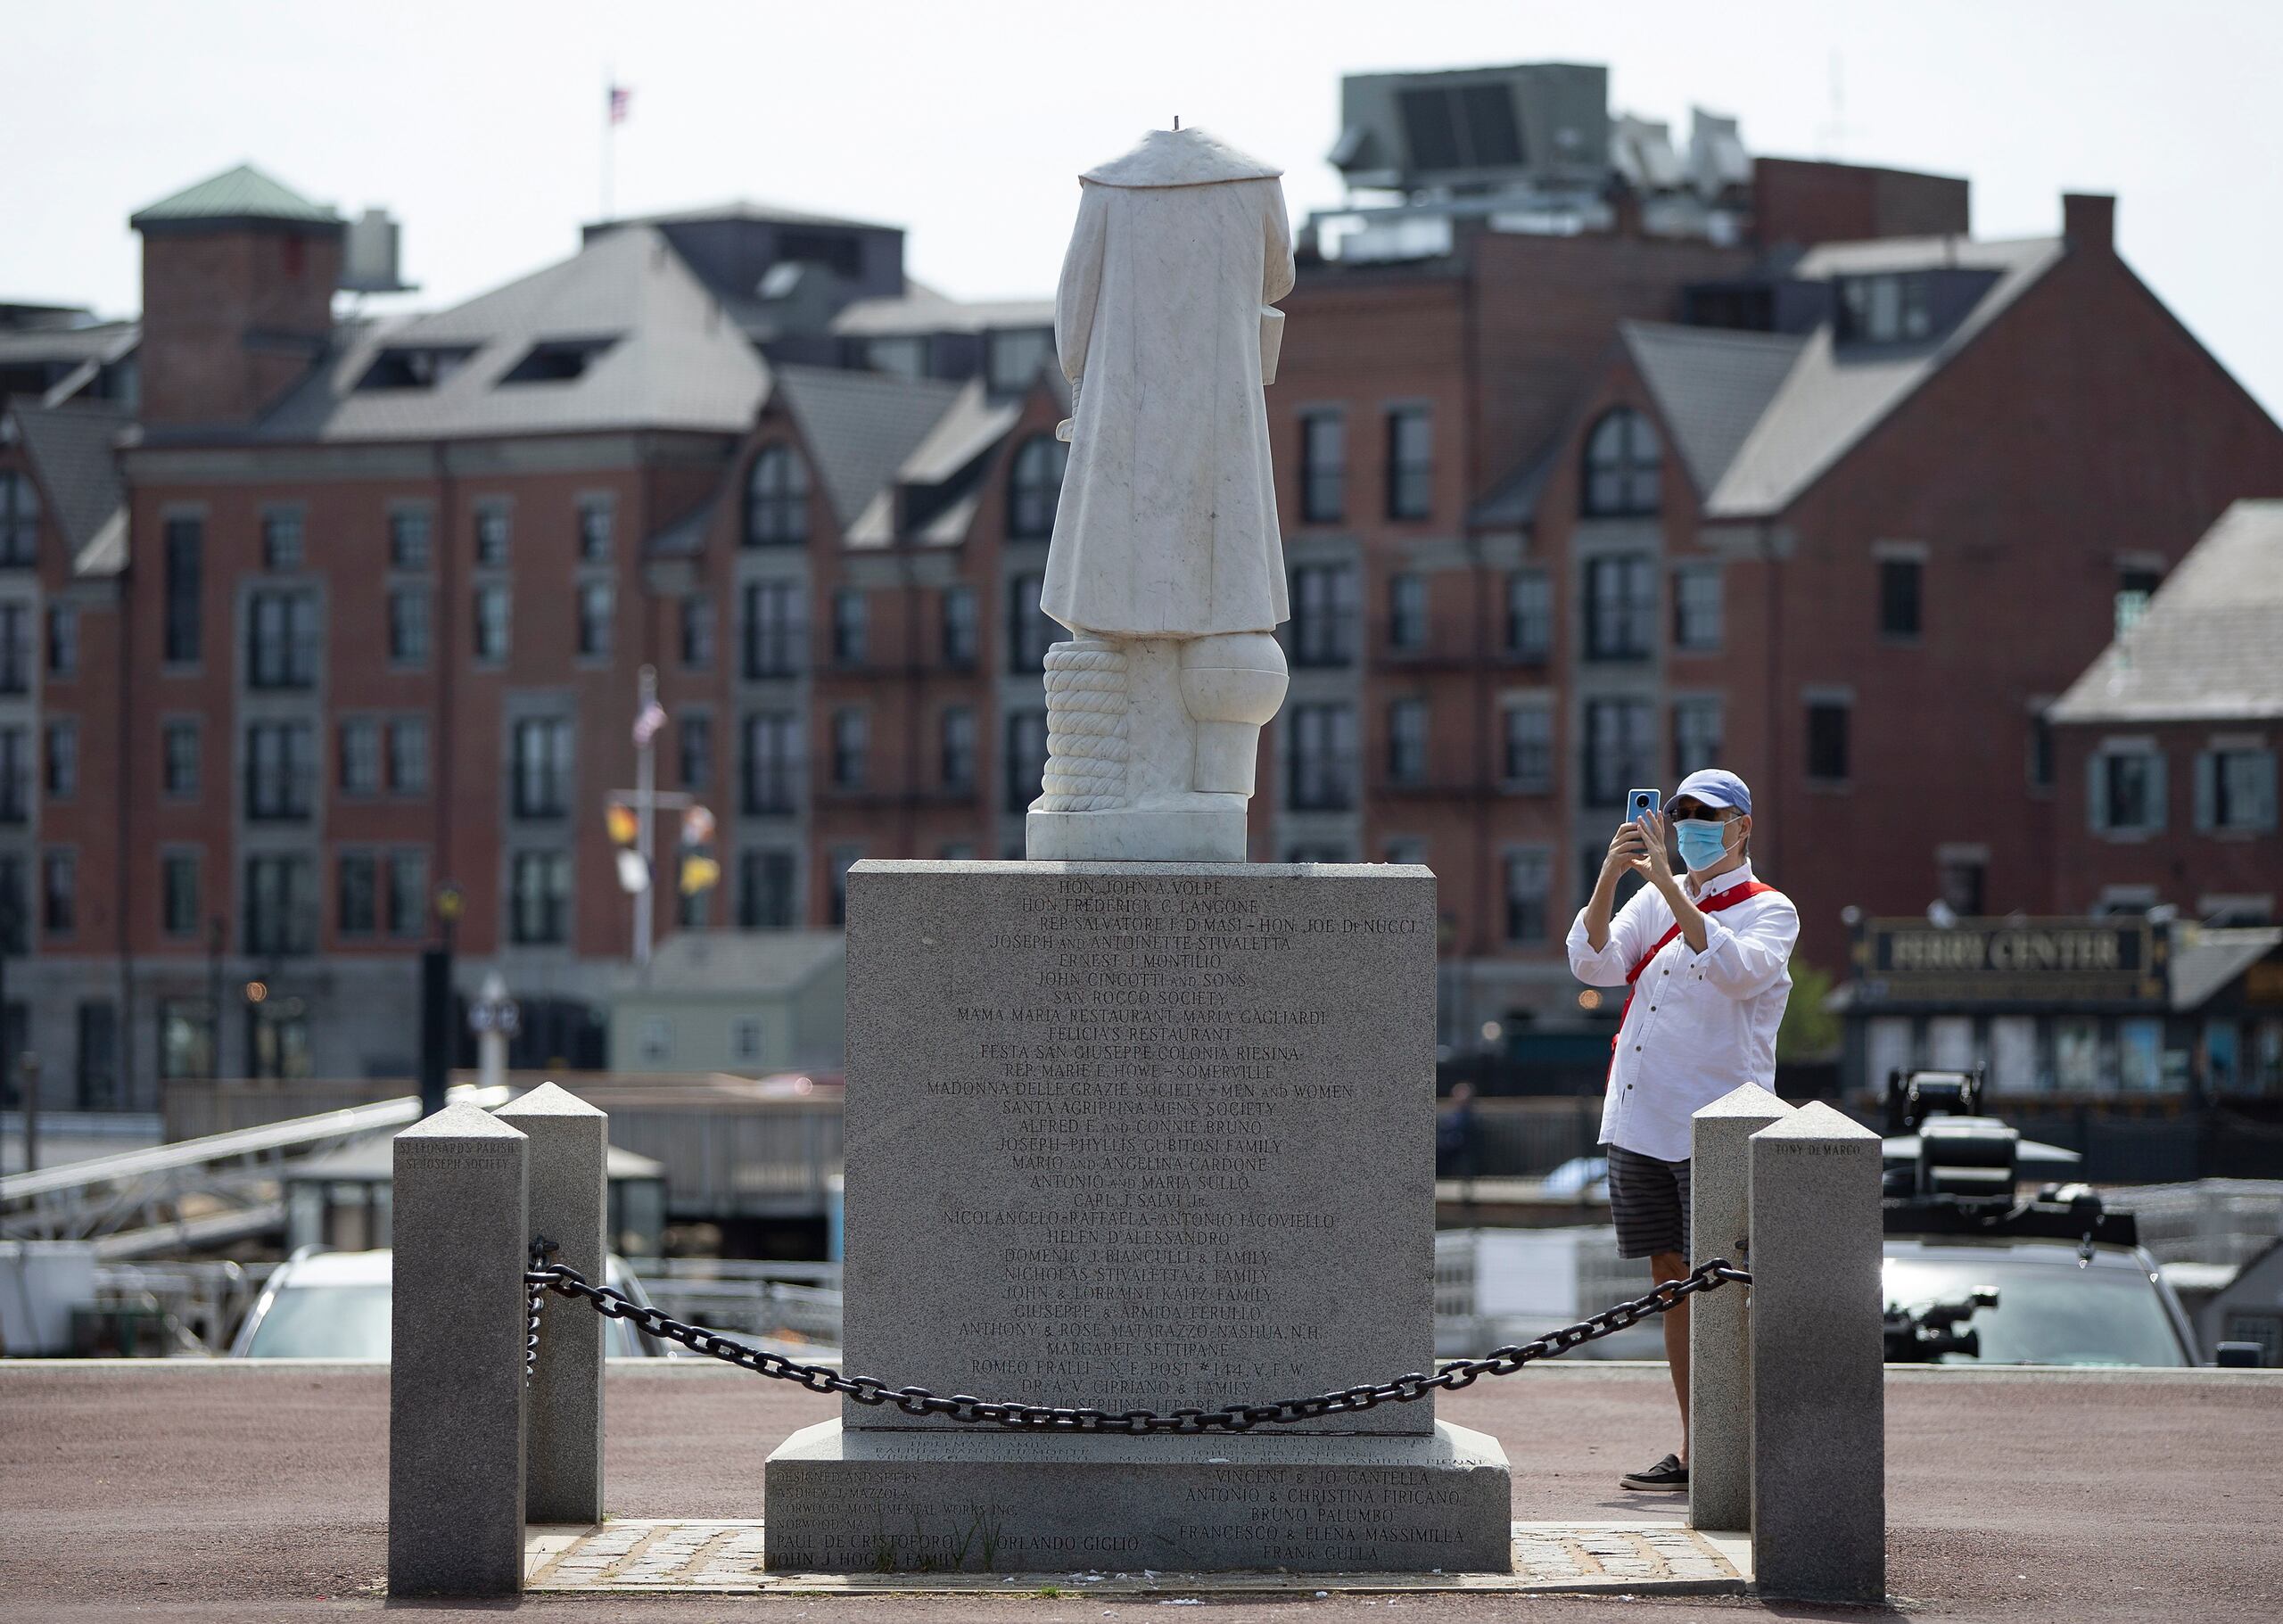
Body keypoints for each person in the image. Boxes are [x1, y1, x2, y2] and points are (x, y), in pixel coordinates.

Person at [1565, 768, 1797, 1493]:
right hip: (1641, 1119)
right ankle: (1698, 1448)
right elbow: (1593, 962)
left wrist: (1668, 884)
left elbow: (1736, 973)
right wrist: (1611, 873)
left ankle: (1736, 1449)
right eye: (1682, 811)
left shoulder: (1771, 909)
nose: (1692, 823)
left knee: (1721, 1286)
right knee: (1669, 1281)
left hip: (1716, 1128)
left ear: (1742, 827)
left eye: (1708, 814)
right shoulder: (1655, 895)